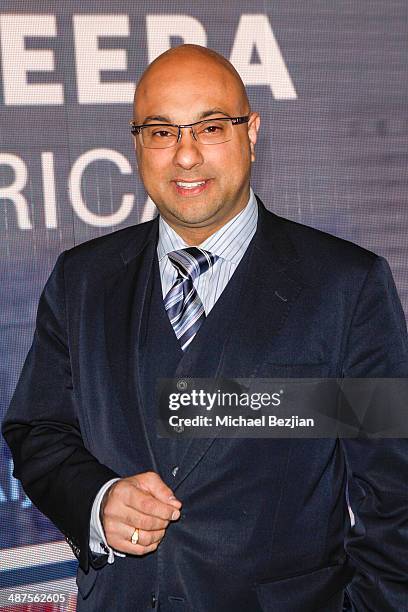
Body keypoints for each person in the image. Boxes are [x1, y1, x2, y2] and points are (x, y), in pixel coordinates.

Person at [2, 44, 408, 612]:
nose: (186, 156)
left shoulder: (346, 286)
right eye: (162, 132)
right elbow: (38, 429)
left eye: (211, 127)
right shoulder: (83, 279)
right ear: (137, 143)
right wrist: (97, 500)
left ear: (252, 132)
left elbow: (393, 496)